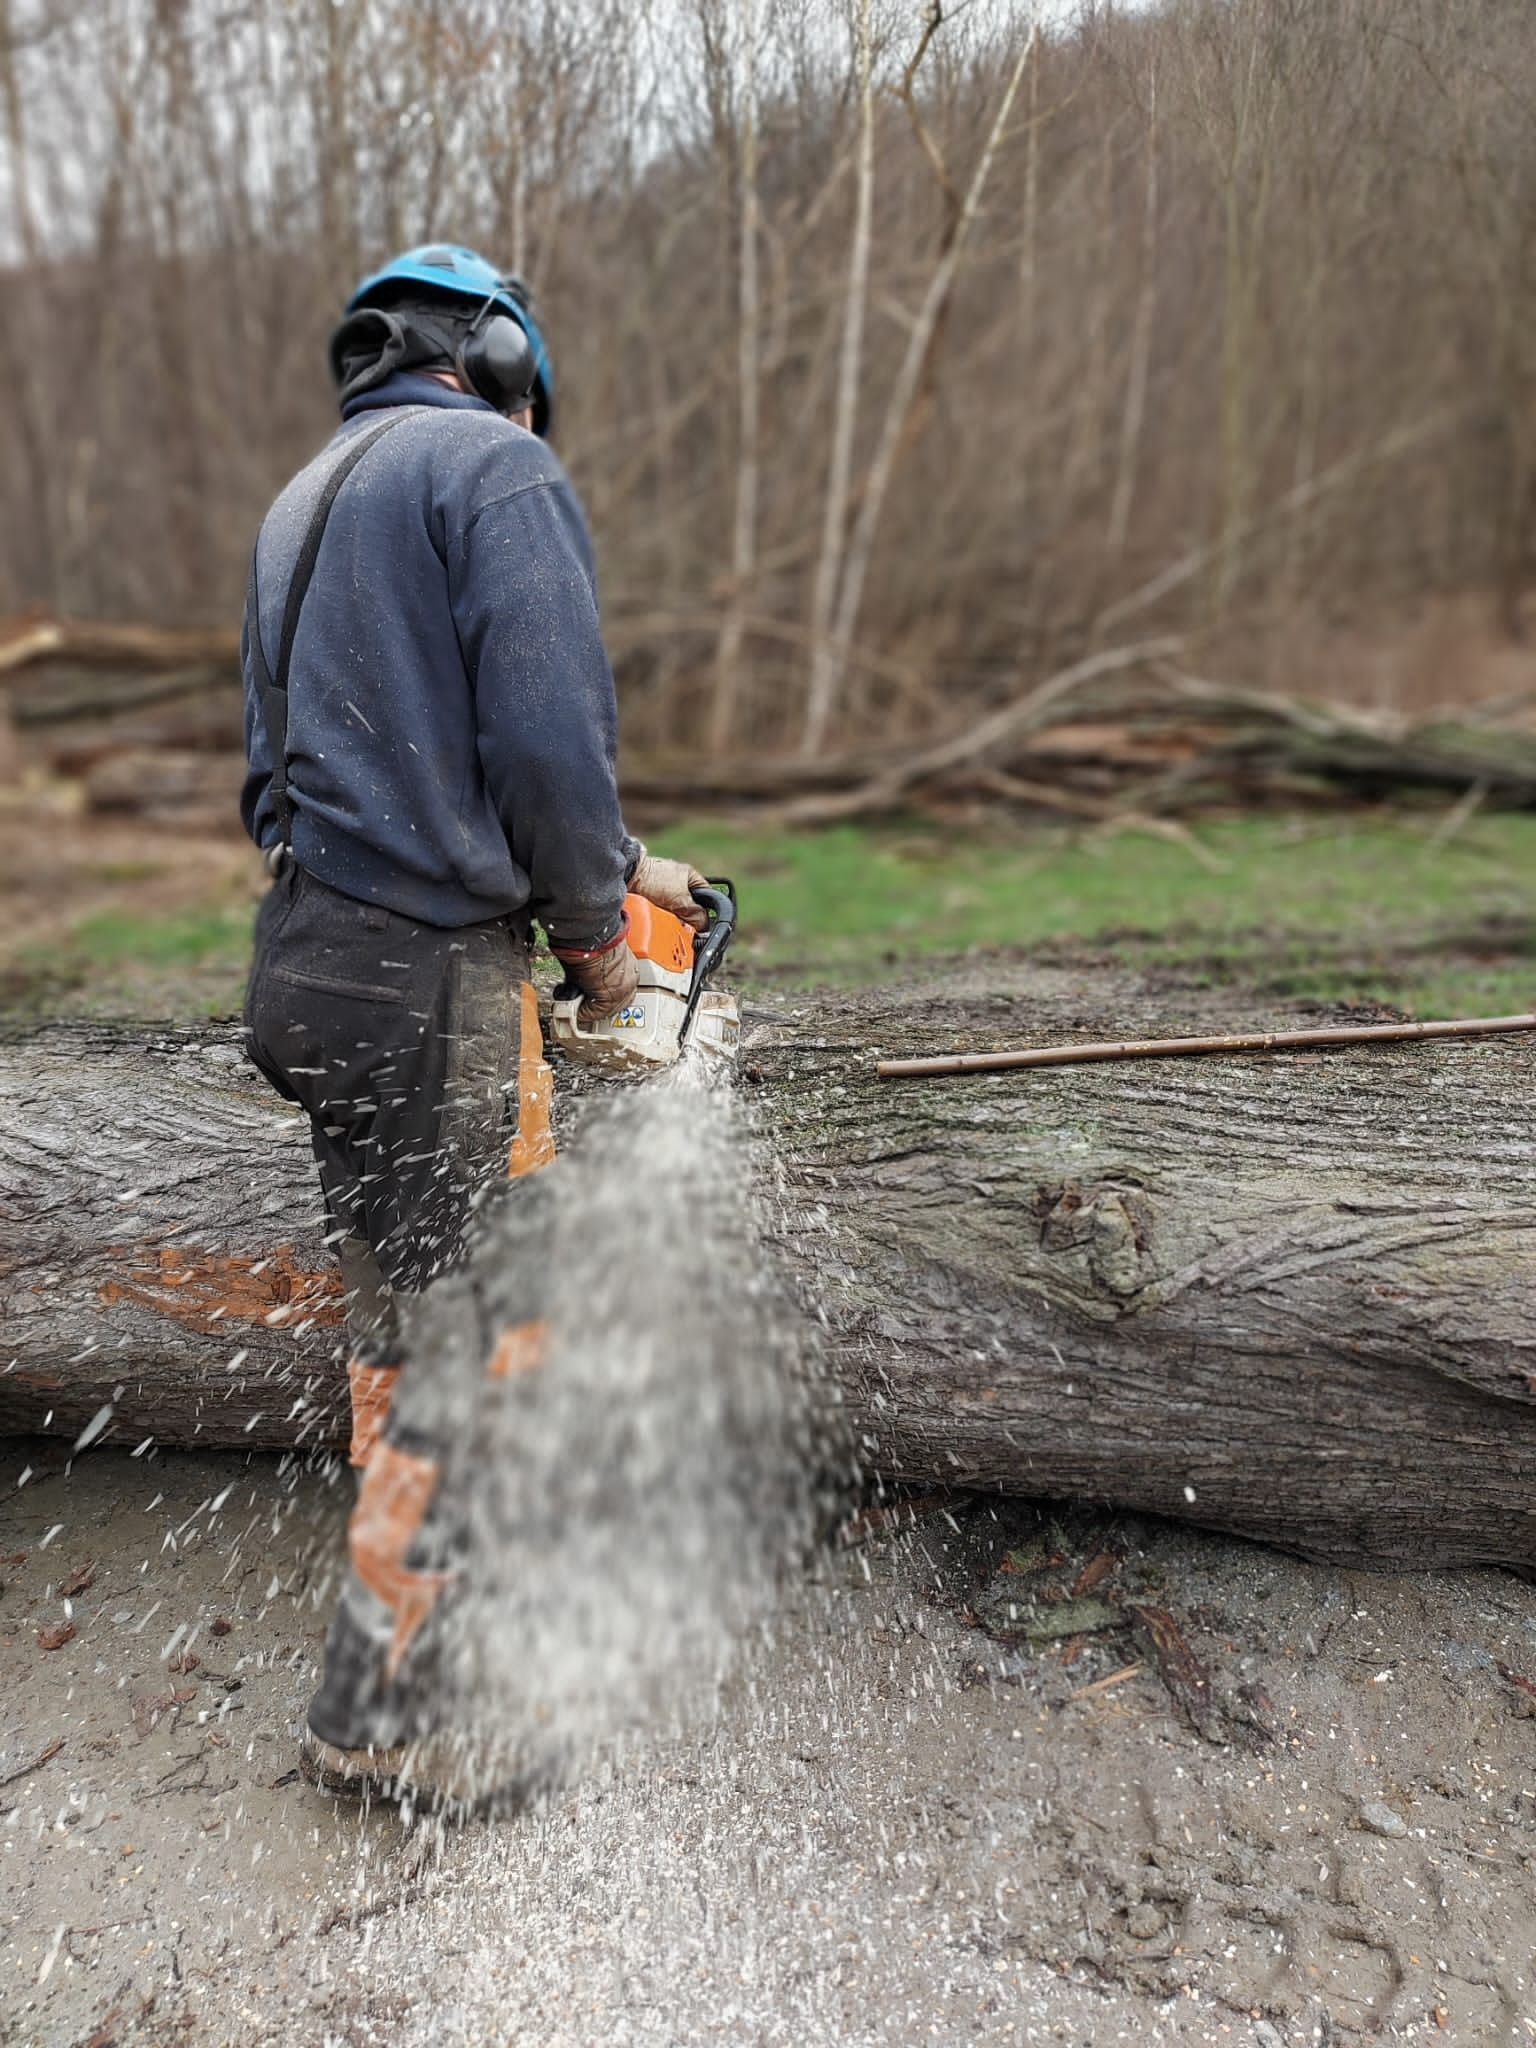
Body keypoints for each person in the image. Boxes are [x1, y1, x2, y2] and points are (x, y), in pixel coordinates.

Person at [238, 242, 707, 1802]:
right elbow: (544, 738)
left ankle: (382, 1676)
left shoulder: (301, 507)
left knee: (402, 1341)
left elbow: (328, 769)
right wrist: (600, 949)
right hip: (437, 985)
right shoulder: (494, 472)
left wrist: (628, 871)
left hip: (311, 963)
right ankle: (402, 1718)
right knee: (485, 1348)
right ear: (500, 360)